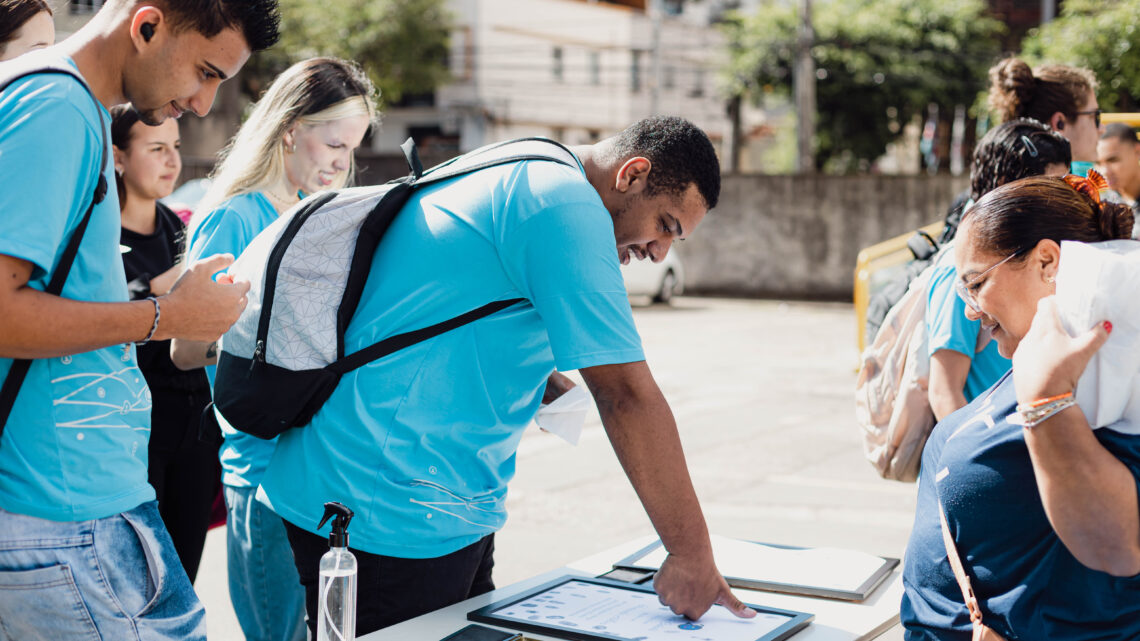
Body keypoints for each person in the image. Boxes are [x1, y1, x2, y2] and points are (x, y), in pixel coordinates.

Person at [253, 115, 755, 637]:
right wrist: (691, 555)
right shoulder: (566, 206)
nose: (659, 251)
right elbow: (625, 394)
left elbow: (446, 306)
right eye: (665, 225)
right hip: (386, 503)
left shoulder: (529, 162)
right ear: (631, 174)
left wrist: (533, 376)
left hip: (438, 500)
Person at [0, 1, 279, 639]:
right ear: (147, 26)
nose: (204, 104)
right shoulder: (56, 107)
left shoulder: (68, 106)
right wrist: (169, 315)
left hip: (80, 502)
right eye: (205, 72)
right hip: (65, 511)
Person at [173, 56, 377, 641]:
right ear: (290, 130)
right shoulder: (234, 217)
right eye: (333, 144)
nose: (342, 163)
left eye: (352, 149)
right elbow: (185, 350)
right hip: (262, 474)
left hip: (330, 471)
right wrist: (275, 352)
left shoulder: (328, 216)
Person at [901, 174, 1140, 639]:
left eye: (976, 283)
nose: (970, 309)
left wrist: (1045, 402)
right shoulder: (1043, 361)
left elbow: (1117, 545)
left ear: (1047, 261)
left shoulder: (1108, 384)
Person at [113, 104, 217, 583]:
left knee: (183, 581)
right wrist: (158, 290)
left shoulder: (182, 229)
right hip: (134, 433)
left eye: (176, 146)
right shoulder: (97, 236)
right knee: (136, 579)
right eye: (156, 148)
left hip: (195, 431)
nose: (173, 160)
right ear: (118, 157)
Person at [927, 119, 1071, 420]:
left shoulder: (1036, 262)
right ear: (1007, 187)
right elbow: (943, 392)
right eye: (1048, 189)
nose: (1062, 203)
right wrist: (979, 446)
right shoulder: (962, 270)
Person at [987, 57, 1102, 175]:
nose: (1102, 129)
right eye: (1095, 116)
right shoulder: (1049, 186)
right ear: (1059, 123)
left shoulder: (1008, 175)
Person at [1097, 122, 1140, 230]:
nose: (1105, 171)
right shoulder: (1100, 204)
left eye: (1113, 160)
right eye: (1098, 163)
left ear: (1137, 151)